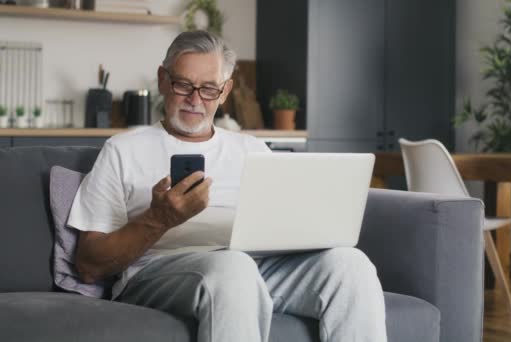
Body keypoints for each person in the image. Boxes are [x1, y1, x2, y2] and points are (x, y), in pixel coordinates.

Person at [68, 30, 387, 342]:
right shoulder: (123, 150)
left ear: (224, 91)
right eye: (183, 85)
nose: (195, 99)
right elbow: (88, 265)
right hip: (159, 273)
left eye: (208, 88)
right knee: (234, 269)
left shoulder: (253, 150)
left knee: (351, 265)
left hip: (257, 268)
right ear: (163, 80)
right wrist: (159, 219)